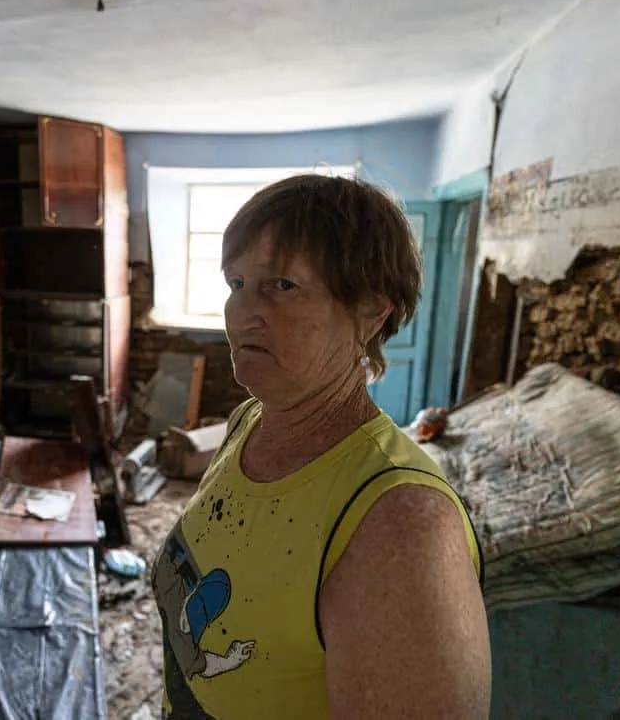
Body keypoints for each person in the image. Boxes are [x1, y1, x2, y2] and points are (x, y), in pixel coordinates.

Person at [150, 174, 491, 719]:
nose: (242, 313)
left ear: (371, 312)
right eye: (236, 283)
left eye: (282, 285)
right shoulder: (248, 423)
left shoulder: (402, 526)